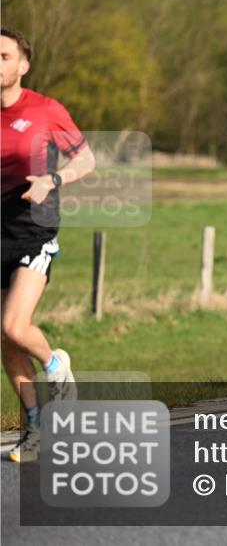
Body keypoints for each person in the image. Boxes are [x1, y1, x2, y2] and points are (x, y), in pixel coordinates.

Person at [1, 26, 95, 462]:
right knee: (6, 343)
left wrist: (53, 179)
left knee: (14, 328)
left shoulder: (45, 110)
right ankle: (36, 427)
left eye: (4, 56)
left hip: (33, 229)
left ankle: (57, 366)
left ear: (23, 65)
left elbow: (86, 158)